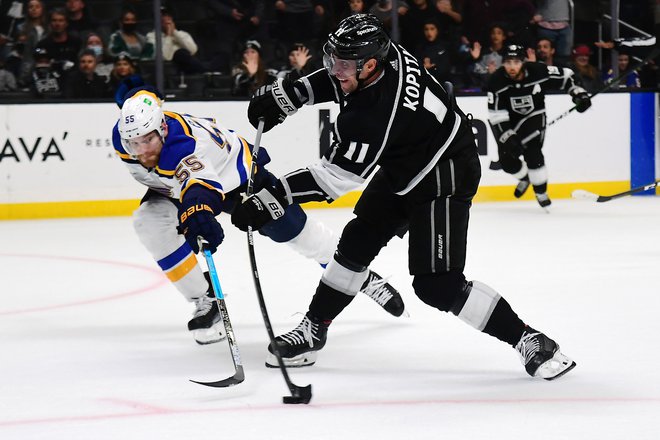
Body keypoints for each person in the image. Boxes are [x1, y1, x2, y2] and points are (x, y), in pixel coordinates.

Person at [232, 14, 576, 380]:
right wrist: (291, 95)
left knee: (437, 285)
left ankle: (531, 339)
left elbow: (335, 178)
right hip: (407, 162)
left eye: (344, 64)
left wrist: (273, 196)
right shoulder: (382, 56)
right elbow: (340, 80)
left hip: (445, 173)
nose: (334, 69)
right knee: (357, 241)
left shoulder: (373, 114)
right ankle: (314, 328)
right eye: (332, 58)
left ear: (369, 64)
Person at [112, 85, 405, 345]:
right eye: (134, 143)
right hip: (176, 188)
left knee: (298, 235)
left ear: (162, 129)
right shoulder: (127, 134)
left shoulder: (183, 149)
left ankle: (359, 276)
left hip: (236, 178)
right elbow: (145, 96)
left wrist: (198, 213)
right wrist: (138, 90)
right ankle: (207, 299)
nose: (142, 151)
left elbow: (201, 188)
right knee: (148, 222)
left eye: (147, 140)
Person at [485, 44, 591, 208]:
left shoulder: (539, 71)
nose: (512, 67)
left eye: (516, 62)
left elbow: (568, 76)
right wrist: (509, 136)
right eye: (508, 62)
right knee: (507, 162)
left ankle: (541, 192)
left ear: (523, 62)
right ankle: (525, 178)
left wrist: (578, 93)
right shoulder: (496, 81)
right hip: (509, 122)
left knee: (533, 154)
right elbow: (496, 115)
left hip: (533, 117)